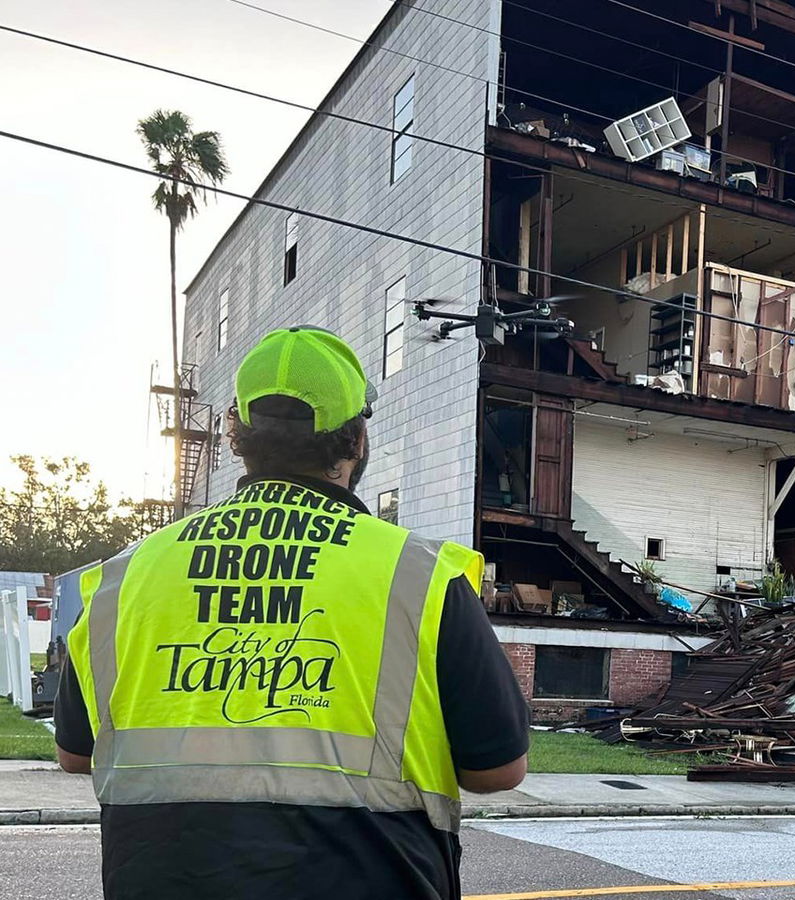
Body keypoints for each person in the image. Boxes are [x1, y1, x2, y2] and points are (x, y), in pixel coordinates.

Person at [54, 326, 529, 899]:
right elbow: (497, 770)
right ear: (356, 440)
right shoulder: (419, 575)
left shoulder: (126, 576)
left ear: (236, 434)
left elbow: (75, 754)